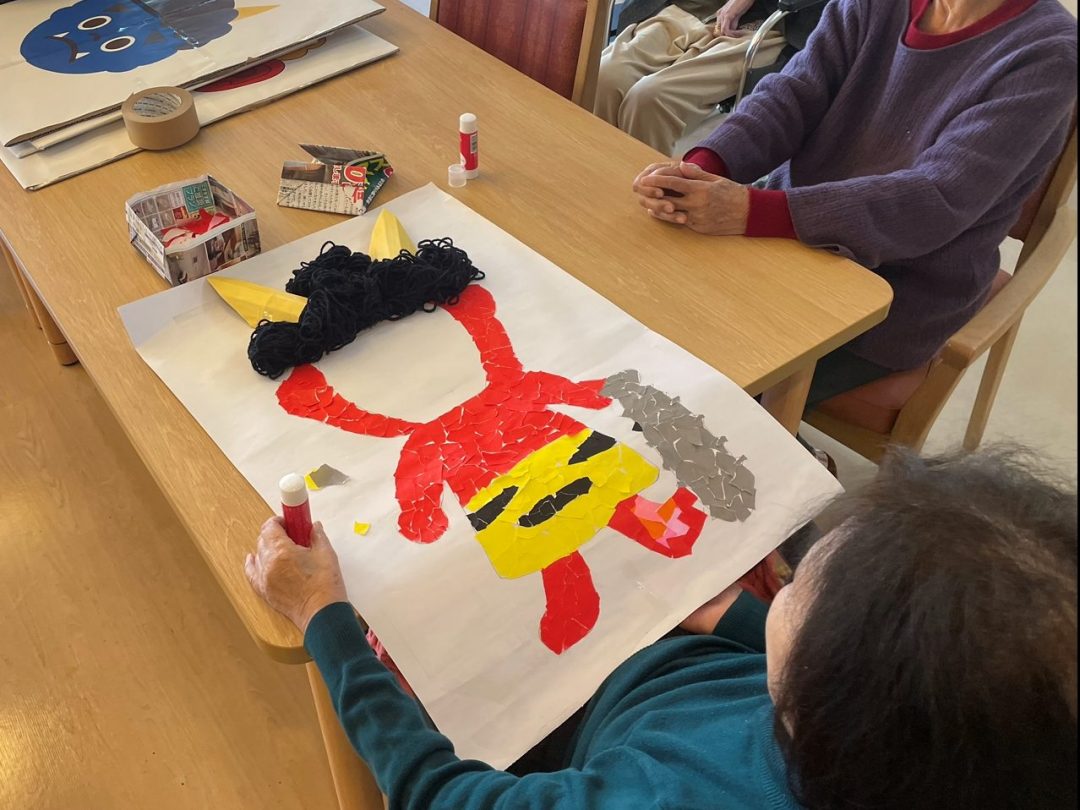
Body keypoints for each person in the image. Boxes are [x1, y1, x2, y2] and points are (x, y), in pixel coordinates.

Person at [245, 446, 1077, 809]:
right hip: (672, 669)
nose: (783, 582)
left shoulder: (662, 799)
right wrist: (733, 616)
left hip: (577, 718)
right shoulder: (942, 756)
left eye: (797, 588)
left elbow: (443, 796)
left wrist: (325, 620)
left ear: (827, 702)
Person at [632, 0, 1077, 409]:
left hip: (899, 291)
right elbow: (792, 94)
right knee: (642, 314)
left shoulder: (1049, 53)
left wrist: (749, 210)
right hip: (783, 236)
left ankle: (798, 455)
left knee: (698, 391)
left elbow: (937, 198)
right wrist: (703, 167)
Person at [595, 0, 821, 155]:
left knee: (651, 97)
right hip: (688, 8)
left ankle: (637, 197)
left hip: (765, 22)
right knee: (603, 77)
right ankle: (594, 183)